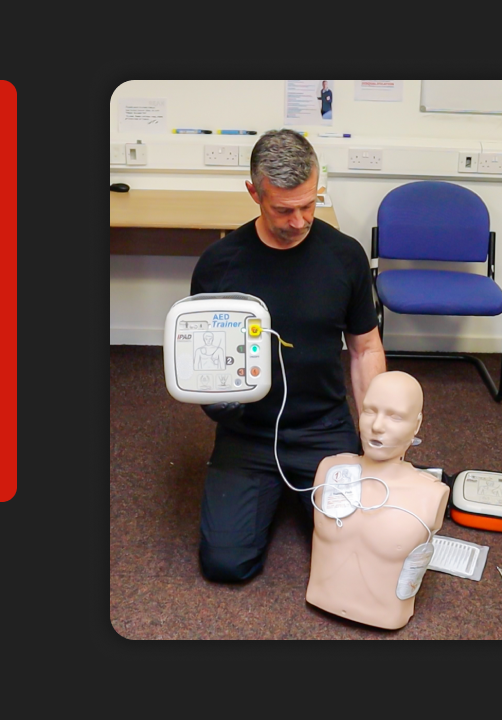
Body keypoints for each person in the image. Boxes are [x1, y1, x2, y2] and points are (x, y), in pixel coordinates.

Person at [190, 128, 385, 583]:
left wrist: (374, 430)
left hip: (324, 428)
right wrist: (211, 399)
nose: (299, 221)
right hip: (248, 433)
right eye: (284, 209)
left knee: (362, 553)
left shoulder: (344, 257)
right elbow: (202, 361)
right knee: (226, 565)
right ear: (254, 192)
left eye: (309, 204)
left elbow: (365, 347)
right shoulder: (220, 265)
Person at [306, 371, 449, 629]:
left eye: (395, 416)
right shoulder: (329, 470)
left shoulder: (431, 494)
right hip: (319, 598)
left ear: (416, 425)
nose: (377, 426)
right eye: (370, 411)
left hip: (385, 616)